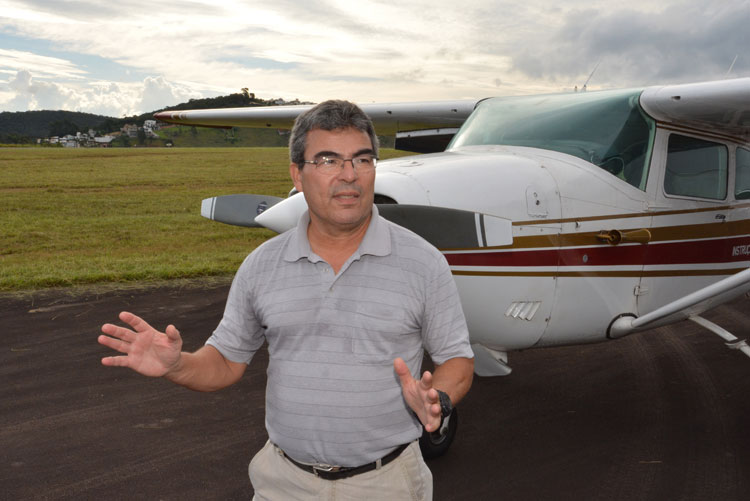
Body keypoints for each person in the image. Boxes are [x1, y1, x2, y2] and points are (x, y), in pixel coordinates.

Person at [98, 100, 474, 500]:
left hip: (387, 483)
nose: (350, 176)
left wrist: (439, 398)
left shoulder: (423, 261)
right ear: (297, 175)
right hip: (284, 484)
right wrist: (177, 365)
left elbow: (457, 359)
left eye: (362, 160)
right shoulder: (261, 266)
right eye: (329, 160)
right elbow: (225, 362)